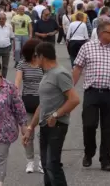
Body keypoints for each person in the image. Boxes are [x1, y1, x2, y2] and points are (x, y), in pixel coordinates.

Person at [73, 21, 110, 172]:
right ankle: (89, 152)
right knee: (89, 124)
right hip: (92, 92)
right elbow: (78, 67)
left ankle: (105, 160)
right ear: (101, 33)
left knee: (107, 128)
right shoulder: (87, 47)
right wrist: (70, 88)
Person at [23, 42, 80, 186]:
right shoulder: (47, 74)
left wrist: (56, 115)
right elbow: (42, 104)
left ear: (42, 56)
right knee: (46, 165)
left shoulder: (60, 73)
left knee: (52, 165)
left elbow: (74, 100)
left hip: (57, 126)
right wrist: (30, 128)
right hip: (45, 126)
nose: (34, 59)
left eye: (35, 56)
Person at [15, 39, 44, 174]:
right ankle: (30, 161)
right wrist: (15, 94)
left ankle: (42, 161)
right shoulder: (22, 64)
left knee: (44, 134)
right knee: (28, 132)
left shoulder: (42, 64)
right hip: (27, 100)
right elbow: (17, 81)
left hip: (43, 100)